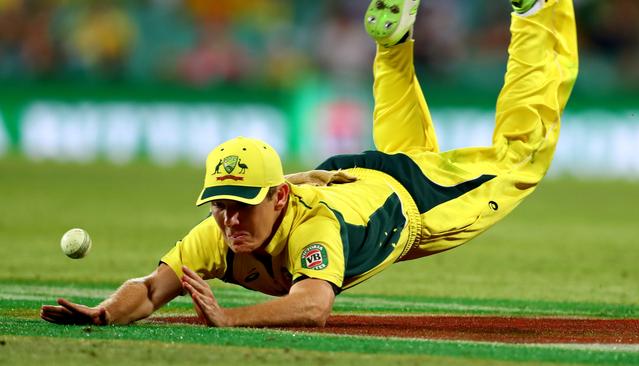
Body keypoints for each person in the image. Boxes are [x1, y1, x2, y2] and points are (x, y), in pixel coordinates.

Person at [41, 0, 578, 327]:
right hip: (354, 178)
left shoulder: (312, 230)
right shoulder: (218, 232)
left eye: (241, 206)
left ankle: (535, 13)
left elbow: (312, 307)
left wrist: (230, 318)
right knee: (408, 150)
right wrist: (106, 311)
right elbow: (152, 287)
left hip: (411, 202)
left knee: (519, 158)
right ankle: (391, 46)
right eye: (221, 206)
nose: (229, 220)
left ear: (277, 197)